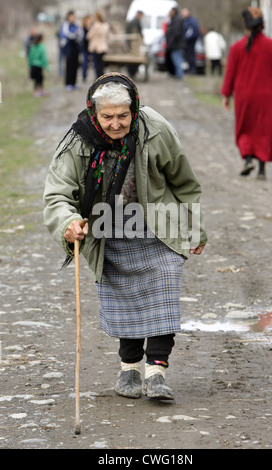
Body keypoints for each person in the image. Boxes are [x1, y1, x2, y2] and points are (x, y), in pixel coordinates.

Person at [43, 72, 207, 401]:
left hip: (157, 222)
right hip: (108, 225)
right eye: (108, 117)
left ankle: (157, 372)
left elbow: (184, 182)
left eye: (123, 115)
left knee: (165, 282)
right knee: (124, 296)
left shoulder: (156, 130)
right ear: (94, 113)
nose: (116, 123)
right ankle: (129, 368)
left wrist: (194, 227)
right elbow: (57, 195)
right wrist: (69, 223)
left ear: (134, 109)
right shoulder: (78, 142)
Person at [221, 7, 272, 180]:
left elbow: (230, 73)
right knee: (264, 131)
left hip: (244, 96)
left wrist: (226, 95)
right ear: (263, 25)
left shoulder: (237, 48)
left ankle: (247, 160)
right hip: (266, 98)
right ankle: (261, 169)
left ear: (246, 25)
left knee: (245, 128)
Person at [60, 11, 83, 91]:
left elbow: (80, 34)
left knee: (75, 66)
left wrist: (76, 35)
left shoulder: (76, 25)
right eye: (71, 17)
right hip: (68, 48)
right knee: (69, 66)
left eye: (74, 16)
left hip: (76, 48)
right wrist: (74, 35)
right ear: (68, 17)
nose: (73, 18)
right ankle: (68, 83)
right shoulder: (65, 25)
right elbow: (65, 34)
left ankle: (74, 83)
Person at [87, 10, 110, 79]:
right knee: (101, 64)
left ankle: (98, 78)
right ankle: (102, 77)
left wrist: (89, 27)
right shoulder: (105, 25)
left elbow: (89, 36)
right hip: (103, 46)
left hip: (96, 47)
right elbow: (108, 36)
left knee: (97, 65)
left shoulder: (96, 25)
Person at [28, 33, 50, 98]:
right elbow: (43, 58)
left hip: (33, 66)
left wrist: (29, 66)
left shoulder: (32, 46)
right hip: (39, 66)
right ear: (41, 39)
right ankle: (41, 91)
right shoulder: (41, 47)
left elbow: (30, 57)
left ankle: (35, 92)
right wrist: (46, 66)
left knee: (36, 80)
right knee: (40, 79)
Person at [125, 10, 144, 78]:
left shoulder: (131, 21)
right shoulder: (136, 22)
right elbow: (139, 32)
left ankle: (131, 73)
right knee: (135, 59)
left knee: (130, 59)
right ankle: (133, 73)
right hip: (134, 43)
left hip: (130, 42)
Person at [181, 7, 200, 74]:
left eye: (184, 12)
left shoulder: (192, 21)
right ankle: (188, 69)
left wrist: (186, 38)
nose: (182, 13)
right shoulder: (185, 21)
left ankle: (192, 70)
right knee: (186, 56)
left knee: (191, 55)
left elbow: (193, 32)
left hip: (190, 41)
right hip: (186, 41)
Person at [81, 15, 93, 82]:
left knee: (94, 63)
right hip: (85, 48)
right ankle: (84, 76)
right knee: (85, 62)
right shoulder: (83, 28)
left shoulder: (92, 27)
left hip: (91, 47)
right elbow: (84, 38)